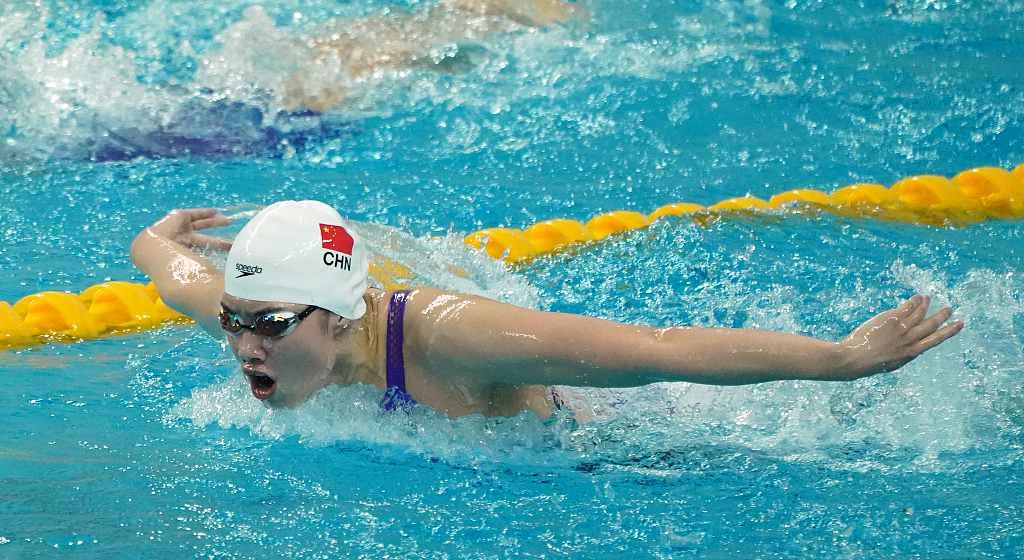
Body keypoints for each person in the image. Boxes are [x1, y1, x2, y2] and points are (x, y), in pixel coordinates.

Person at [130, 200, 963, 419]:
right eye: (236, 317)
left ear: (342, 317)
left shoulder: (451, 338)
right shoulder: (263, 325)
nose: (239, 339)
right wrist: (157, 236)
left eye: (266, 324)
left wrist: (842, 360)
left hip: (616, 451)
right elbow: (172, 272)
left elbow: (655, 349)